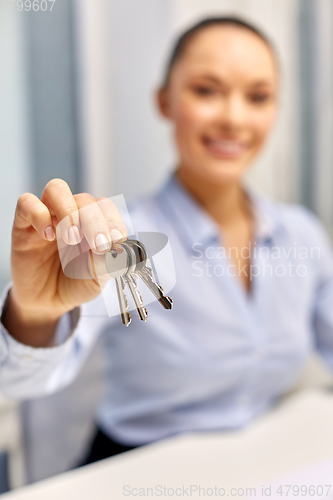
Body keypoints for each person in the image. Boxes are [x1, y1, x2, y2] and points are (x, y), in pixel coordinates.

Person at [1, 16, 333, 466]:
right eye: (206, 90)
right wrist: (35, 314)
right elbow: (20, 384)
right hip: (132, 474)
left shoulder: (301, 235)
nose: (234, 117)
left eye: (258, 97)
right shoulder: (120, 239)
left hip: (257, 471)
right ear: (165, 101)